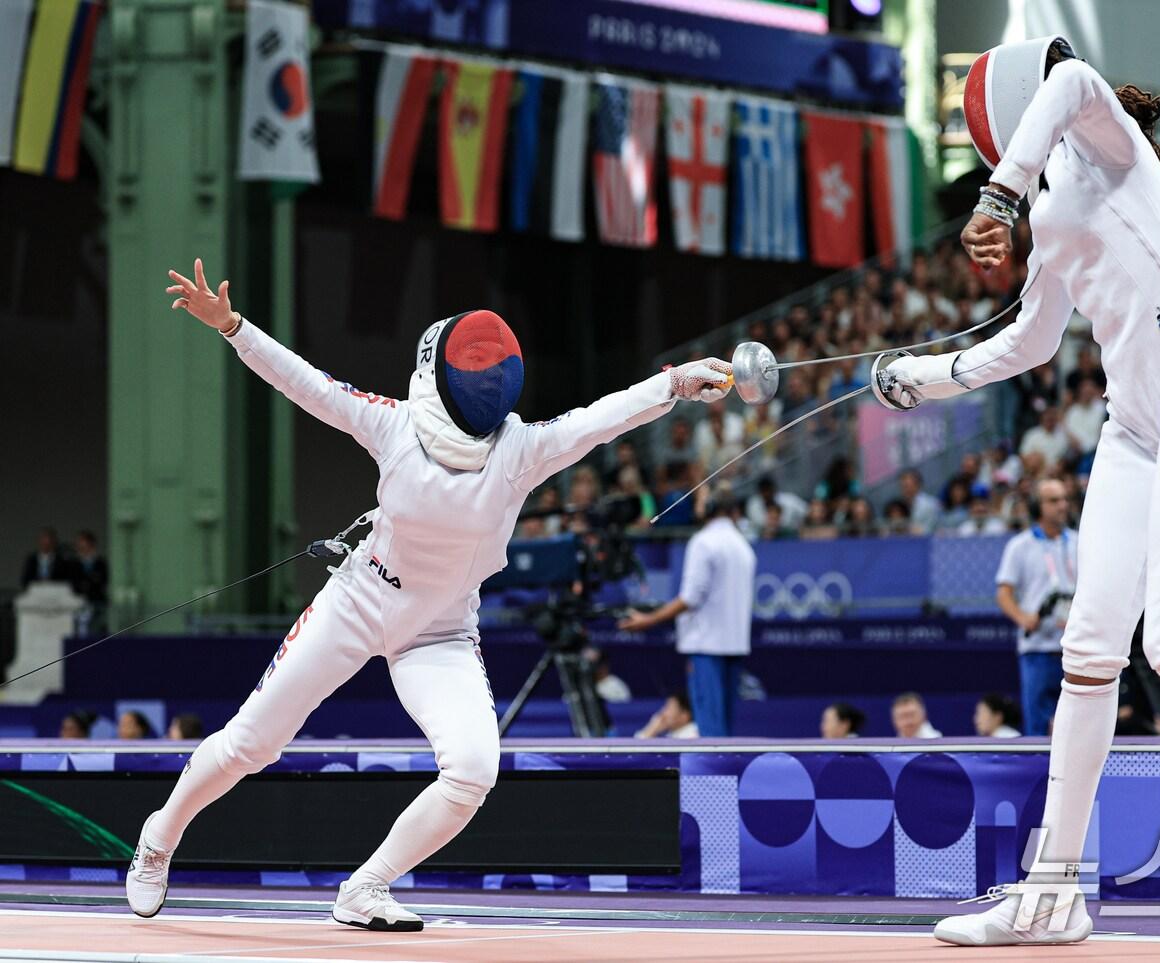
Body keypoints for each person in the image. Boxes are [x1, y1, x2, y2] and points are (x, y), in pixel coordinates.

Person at [878, 38, 1160, 949]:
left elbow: (1077, 81)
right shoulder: (1050, 219)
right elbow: (1026, 347)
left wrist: (1000, 191)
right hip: (1135, 428)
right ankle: (1053, 892)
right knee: (1087, 650)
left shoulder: (1109, 140)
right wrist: (918, 378)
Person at [125, 259, 734, 931]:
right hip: (357, 603)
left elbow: (597, 420)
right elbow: (305, 383)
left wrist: (674, 382)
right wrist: (233, 326)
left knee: (473, 767)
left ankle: (366, 887)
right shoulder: (395, 426)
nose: (488, 382)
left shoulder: (520, 449)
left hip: (439, 629)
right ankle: (159, 836)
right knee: (252, 742)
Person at [619, 493, 756, 736]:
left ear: (712, 506)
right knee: (723, 729)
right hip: (734, 646)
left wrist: (648, 620)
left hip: (706, 647)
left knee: (710, 730)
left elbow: (690, 598)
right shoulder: (743, 545)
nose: (697, 505)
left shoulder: (703, 542)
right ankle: (724, 774)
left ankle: (711, 775)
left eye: (702, 501)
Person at [994, 478, 1077, 737]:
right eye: (1054, 500)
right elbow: (1004, 592)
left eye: (1064, 499)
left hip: (1075, 647)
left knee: (1079, 724)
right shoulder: (1020, 546)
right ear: (1036, 506)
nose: (1062, 505)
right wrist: (1023, 617)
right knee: (1039, 728)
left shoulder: (1079, 541)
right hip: (1038, 648)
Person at [634, 692, 699, 738]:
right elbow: (632, 752)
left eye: (669, 708)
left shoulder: (693, 734)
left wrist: (651, 730)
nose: (663, 713)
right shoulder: (673, 735)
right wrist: (652, 729)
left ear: (684, 716)